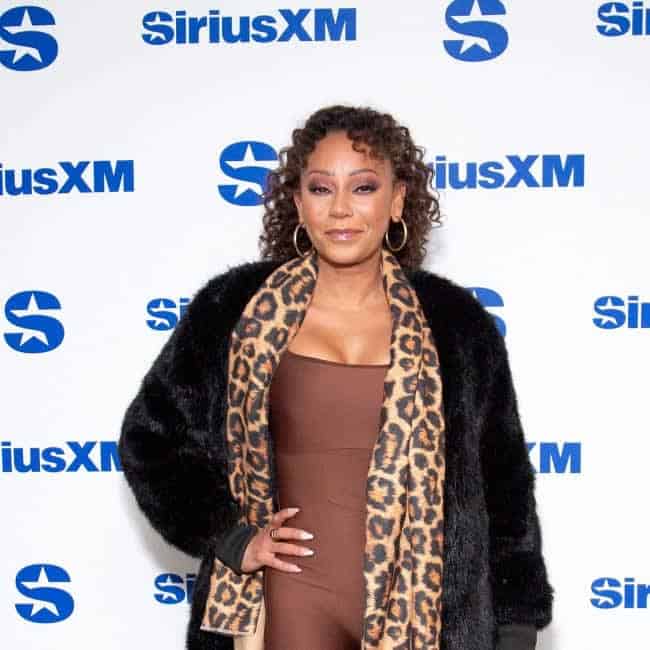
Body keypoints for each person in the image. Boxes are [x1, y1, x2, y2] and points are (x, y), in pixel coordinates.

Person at [119, 105, 553, 650]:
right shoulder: (235, 309)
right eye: (322, 189)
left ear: (398, 200)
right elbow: (151, 440)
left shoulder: (456, 324)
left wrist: (516, 623)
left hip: (424, 618)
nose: (341, 208)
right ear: (299, 203)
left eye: (364, 187)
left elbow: (504, 484)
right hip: (284, 607)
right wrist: (230, 536)